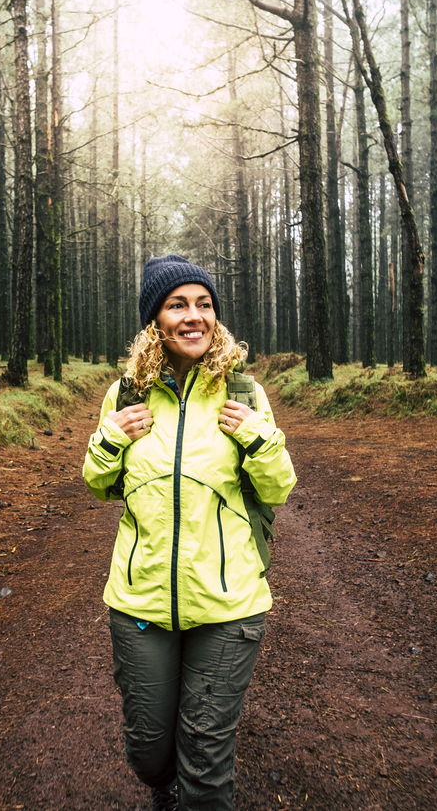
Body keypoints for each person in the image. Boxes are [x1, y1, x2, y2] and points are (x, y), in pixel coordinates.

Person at [82, 254, 297, 811]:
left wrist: (259, 439)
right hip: (140, 602)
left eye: (204, 304)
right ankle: (164, 788)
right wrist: (110, 438)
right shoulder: (127, 394)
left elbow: (277, 490)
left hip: (228, 605)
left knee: (205, 757)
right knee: (150, 755)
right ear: (155, 320)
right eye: (178, 304)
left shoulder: (243, 394)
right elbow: (99, 485)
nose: (193, 316)